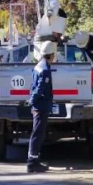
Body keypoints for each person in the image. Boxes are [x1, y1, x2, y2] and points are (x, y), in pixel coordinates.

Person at [27, 40, 56, 173]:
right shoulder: (45, 70)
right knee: (38, 134)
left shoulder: (39, 65)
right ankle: (32, 162)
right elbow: (40, 89)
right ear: (50, 55)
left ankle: (34, 160)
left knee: (37, 133)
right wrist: (33, 101)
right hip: (41, 106)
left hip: (39, 106)